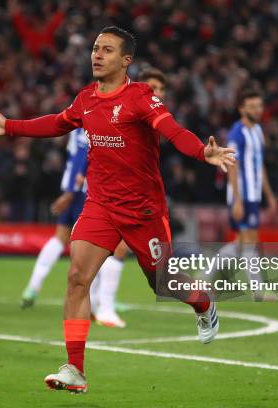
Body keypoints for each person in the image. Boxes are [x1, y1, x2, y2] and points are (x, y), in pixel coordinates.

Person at [0, 26, 234, 393]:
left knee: (163, 282)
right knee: (77, 279)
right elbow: (56, 123)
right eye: (95, 48)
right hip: (100, 205)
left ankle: (204, 303)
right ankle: (75, 369)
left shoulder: (141, 97)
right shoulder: (85, 99)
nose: (97, 55)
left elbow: (173, 130)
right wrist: (11, 126)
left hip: (144, 211)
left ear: (125, 60)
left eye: (107, 50)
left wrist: (201, 151)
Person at [21, 68, 169, 329]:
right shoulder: (105, 111)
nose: (157, 94)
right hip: (95, 192)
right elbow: (82, 150)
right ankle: (104, 305)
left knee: (66, 241)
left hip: (96, 189)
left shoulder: (115, 111)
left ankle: (37, 289)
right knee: (112, 249)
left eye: (161, 89)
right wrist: (71, 190)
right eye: (153, 87)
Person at [207, 88, 278, 301]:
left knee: (241, 243)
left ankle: (205, 278)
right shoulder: (236, 134)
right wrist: (237, 199)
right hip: (242, 195)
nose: (258, 110)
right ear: (242, 109)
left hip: (254, 195)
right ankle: (259, 290)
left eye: (259, 105)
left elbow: (259, 165)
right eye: (253, 106)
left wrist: (269, 195)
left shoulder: (257, 131)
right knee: (249, 240)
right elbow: (233, 166)